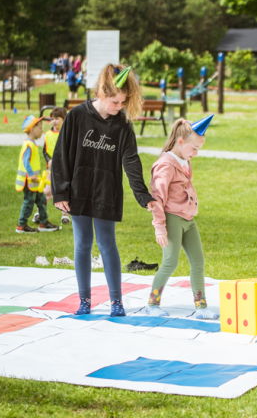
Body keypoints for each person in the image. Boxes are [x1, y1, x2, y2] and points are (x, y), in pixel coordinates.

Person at [51, 64, 157, 318]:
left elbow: (131, 162)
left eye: (122, 102)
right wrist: (60, 193)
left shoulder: (122, 126)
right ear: (100, 92)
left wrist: (143, 196)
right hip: (78, 191)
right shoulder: (77, 116)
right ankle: (84, 300)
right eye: (114, 101)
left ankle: (116, 302)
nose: (118, 106)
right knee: (82, 244)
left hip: (106, 192)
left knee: (108, 243)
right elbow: (60, 156)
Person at [146, 116, 219, 320]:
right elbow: (157, 198)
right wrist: (159, 226)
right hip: (172, 219)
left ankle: (201, 307)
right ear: (181, 142)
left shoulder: (185, 160)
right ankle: (153, 303)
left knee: (198, 261)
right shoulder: (166, 165)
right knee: (170, 261)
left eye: (198, 149)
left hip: (188, 219)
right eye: (194, 148)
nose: (196, 153)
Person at [15, 115, 61, 234]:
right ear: (32, 130)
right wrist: (31, 174)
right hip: (29, 181)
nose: (42, 130)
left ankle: (44, 222)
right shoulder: (29, 145)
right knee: (29, 202)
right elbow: (25, 161)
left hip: (35, 182)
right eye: (39, 128)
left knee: (41, 201)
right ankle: (22, 225)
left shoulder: (33, 144)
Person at [35, 107, 69, 225]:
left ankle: (65, 214)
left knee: (65, 191)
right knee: (47, 191)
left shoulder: (68, 134)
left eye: (57, 119)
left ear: (64, 119)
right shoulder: (48, 135)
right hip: (51, 169)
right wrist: (49, 160)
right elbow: (45, 150)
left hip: (65, 170)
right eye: (52, 119)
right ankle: (40, 212)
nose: (54, 121)